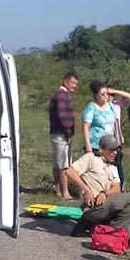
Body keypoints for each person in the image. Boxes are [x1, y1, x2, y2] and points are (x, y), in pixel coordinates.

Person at [65, 134, 130, 235]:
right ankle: (110, 231)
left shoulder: (112, 166)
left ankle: (101, 228)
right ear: (101, 149)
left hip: (105, 203)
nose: (115, 153)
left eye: (116, 150)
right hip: (92, 206)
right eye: (111, 150)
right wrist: (86, 190)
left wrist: (104, 193)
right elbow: (69, 171)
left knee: (129, 234)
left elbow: (117, 187)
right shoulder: (91, 158)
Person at [83, 80, 130, 186]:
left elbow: (114, 124)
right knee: (96, 169)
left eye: (106, 94)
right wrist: (88, 147)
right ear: (96, 95)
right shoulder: (91, 108)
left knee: (112, 169)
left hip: (110, 143)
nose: (105, 96)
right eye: (102, 94)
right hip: (96, 144)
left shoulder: (110, 106)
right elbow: (85, 127)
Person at [48, 71, 79, 200]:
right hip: (61, 133)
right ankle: (65, 192)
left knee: (58, 162)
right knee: (64, 164)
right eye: (73, 83)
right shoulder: (61, 95)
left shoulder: (62, 94)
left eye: (76, 84)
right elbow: (63, 115)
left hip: (57, 132)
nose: (75, 86)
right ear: (65, 81)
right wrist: (67, 131)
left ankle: (58, 189)